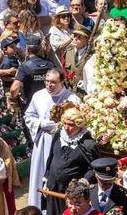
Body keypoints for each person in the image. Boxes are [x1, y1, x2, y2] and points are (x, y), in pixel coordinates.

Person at [24, 69, 81, 208]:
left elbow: (79, 122)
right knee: (40, 172)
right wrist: (40, 124)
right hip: (43, 141)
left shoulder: (72, 99)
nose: (49, 85)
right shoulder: (38, 96)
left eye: (53, 82)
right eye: (47, 81)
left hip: (63, 144)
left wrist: (61, 127)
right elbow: (28, 116)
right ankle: (37, 206)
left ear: (61, 82)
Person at [43, 107, 98, 215]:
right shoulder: (59, 135)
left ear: (79, 125)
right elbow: (51, 157)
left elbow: (94, 168)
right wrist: (47, 178)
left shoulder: (88, 144)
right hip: (53, 188)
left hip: (72, 195)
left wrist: (82, 183)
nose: (67, 128)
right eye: (65, 124)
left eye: (71, 125)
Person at [10, 34, 54, 104]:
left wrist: (13, 97)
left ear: (27, 49)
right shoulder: (50, 64)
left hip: (32, 106)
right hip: (49, 104)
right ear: (40, 48)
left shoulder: (25, 66)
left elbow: (14, 89)